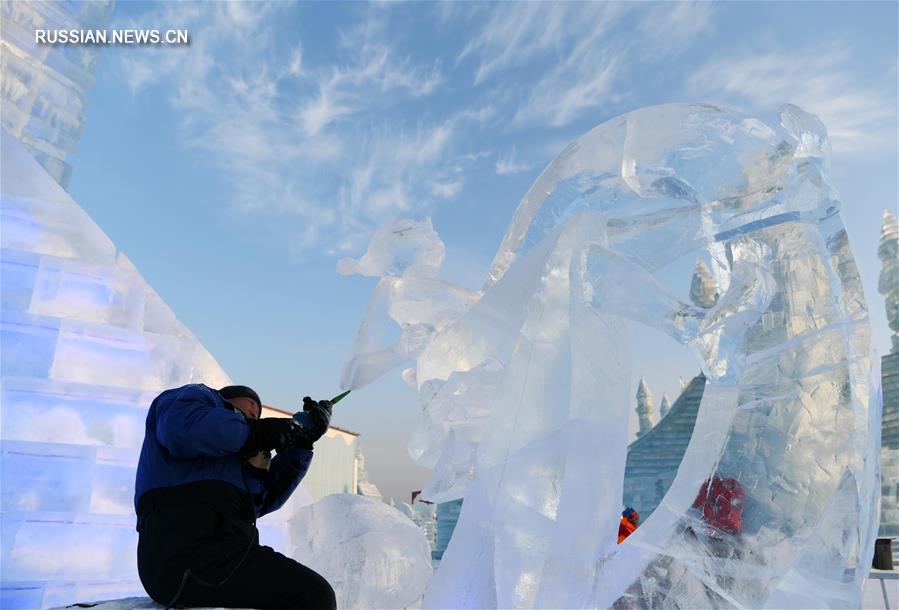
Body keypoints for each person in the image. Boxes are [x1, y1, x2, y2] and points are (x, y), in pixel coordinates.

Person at [134, 383, 337, 610]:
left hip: (227, 553)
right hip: (180, 552)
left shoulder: (243, 456)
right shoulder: (197, 397)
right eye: (249, 403)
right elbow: (179, 428)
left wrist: (302, 443)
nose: (254, 412)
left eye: (257, 413)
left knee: (305, 591)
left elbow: (264, 500)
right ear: (226, 399)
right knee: (313, 595)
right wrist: (255, 432)